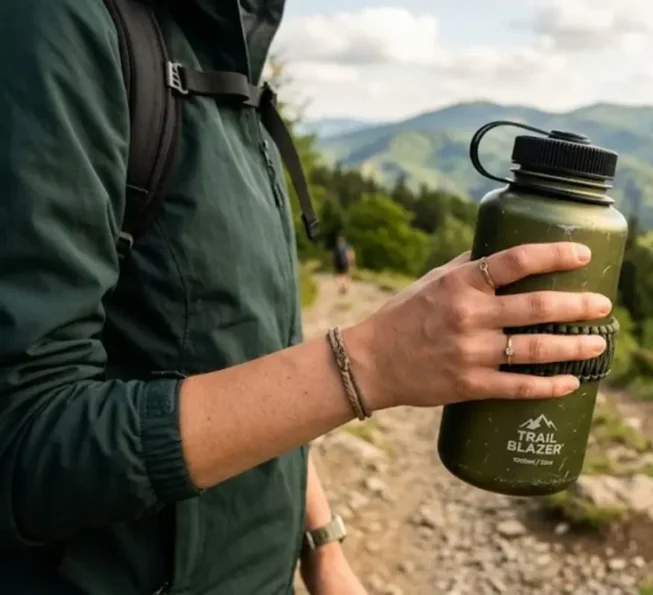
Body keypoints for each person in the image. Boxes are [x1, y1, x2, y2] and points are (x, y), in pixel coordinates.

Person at [0, 2, 611, 595]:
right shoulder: (56, 26)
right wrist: (370, 363)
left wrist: (322, 546)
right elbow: (24, 440)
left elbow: (253, 358)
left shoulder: (227, 64)